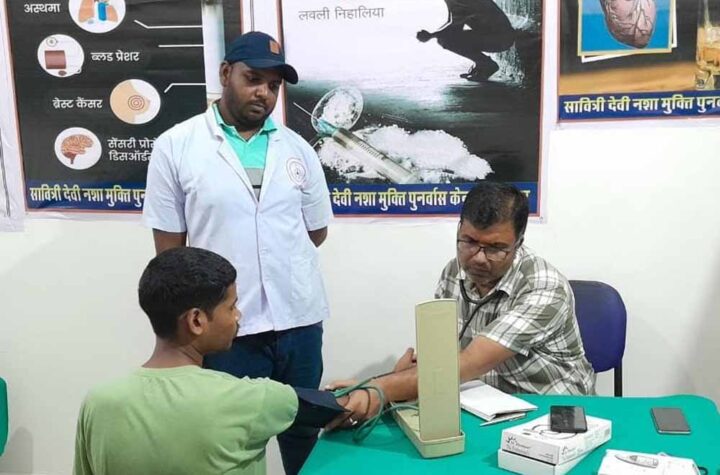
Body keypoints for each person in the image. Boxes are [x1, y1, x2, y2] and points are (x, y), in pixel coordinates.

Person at [142, 31, 333, 474]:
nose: (263, 92)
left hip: (299, 323)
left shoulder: (298, 148)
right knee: (226, 441)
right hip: (224, 330)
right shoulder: (177, 146)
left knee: (304, 435)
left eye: (273, 85)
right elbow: (170, 254)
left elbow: (316, 231)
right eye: (253, 79)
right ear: (225, 73)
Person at [327, 182, 595, 428]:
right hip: (482, 405)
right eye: (469, 242)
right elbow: (442, 358)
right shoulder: (454, 272)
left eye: (495, 248)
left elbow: (467, 363)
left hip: (552, 410)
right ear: (459, 230)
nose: (478, 258)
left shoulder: (544, 287)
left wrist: (380, 389)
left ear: (519, 242)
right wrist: (382, 383)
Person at [72, 247, 300, 475]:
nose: (237, 315)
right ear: (196, 320)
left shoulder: (98, 403)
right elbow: (315, 405)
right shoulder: (250, 399)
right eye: (231, 307)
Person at [417, 0, 516, 81]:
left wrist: (431, 35)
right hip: (497, 37)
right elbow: (452, 22)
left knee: (446, 40)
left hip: (500, 40)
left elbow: (455, 27)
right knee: (445, 38)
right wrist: (432, 34)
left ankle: (487, 64)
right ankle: (481, 63)